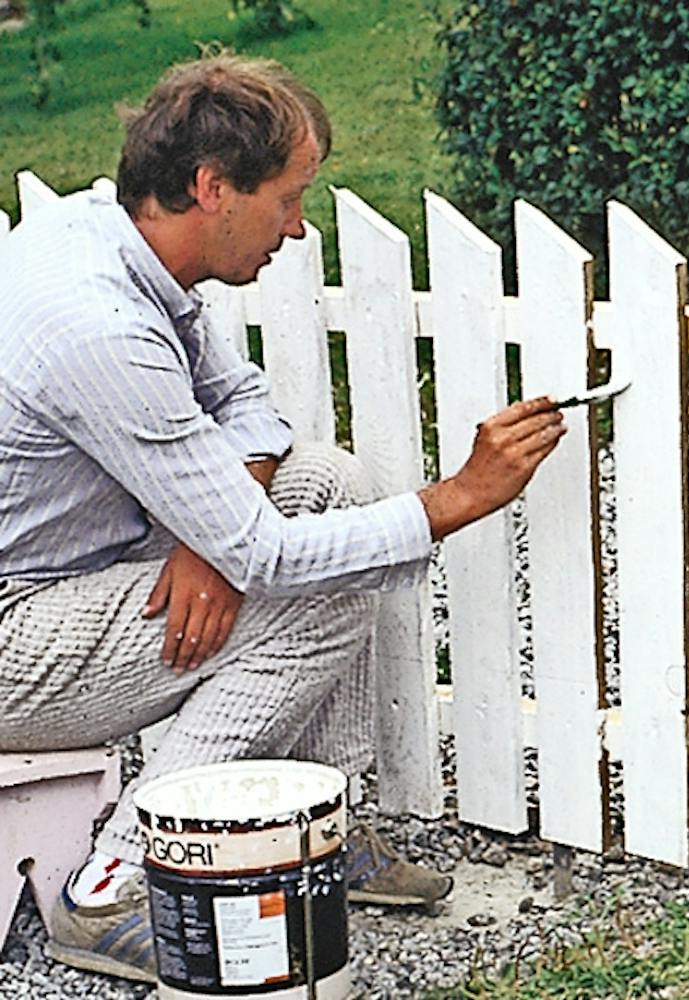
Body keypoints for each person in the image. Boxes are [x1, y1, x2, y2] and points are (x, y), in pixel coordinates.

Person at [0, 54, 565, 983]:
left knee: (330, 481)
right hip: (18, 636)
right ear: (211, 187)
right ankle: (114, 883)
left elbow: (244, 400)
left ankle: (317, 827)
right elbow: (269, 557)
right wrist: (457, 497)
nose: (299, 229)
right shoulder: (96, 327)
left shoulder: (112, 235)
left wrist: (206, 535)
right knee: (328, 594)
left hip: (79, 565)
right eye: (290, 198)